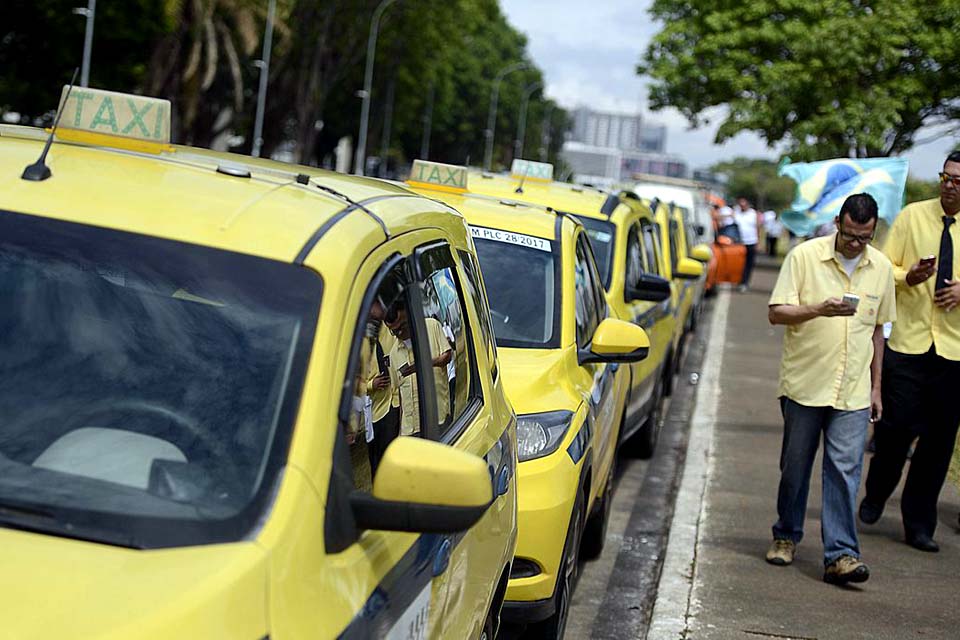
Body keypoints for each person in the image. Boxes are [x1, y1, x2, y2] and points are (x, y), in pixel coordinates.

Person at [765, 193, 896, 585]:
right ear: (838, 222)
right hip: (805, 384)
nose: (856, 244)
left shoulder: (881, 267)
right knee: (795, 468)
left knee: (845, 470)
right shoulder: (804, 257)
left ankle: (841, 554)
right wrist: (818, 309)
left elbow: (878, 332)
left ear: (873, 232)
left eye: (864, 238)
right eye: (850, 235)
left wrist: (876, 388)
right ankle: (786, 535)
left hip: (854, 390)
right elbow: (776, 313)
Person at [859, 151, 960, 553]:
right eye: (945, 177)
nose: (949, 186)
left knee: (938, 443)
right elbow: (884, 267)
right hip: (908, 343)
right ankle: (876, 492)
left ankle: (919, 523)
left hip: (953, 351)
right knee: (894, 431)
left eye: (958, 181)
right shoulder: (913, 216)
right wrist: (910, 276)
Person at [733, 197, 763, 291]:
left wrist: (758, 242)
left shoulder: (753, 214)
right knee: (739, 263)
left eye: (744, 204)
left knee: (749, 263)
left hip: (751, 242)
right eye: (740, 204)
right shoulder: (736, 213)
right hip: (739, 242)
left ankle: (744, 282)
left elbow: (758, 228)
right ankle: (738, 280)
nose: (742, 206)